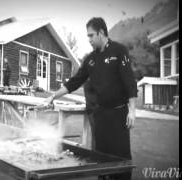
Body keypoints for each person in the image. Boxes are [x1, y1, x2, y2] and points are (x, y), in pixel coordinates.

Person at [44, 17, 137, 180]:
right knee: (101, 158)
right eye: (87, 36)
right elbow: (74, 82)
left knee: (122, 159)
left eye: (91, 35)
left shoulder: (119, 51)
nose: (89, 40)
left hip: (119, 115)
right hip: (101, 116)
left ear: (101, 33)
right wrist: (53, 96)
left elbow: (129, 81)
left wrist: (133, 110)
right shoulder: (91, 59)